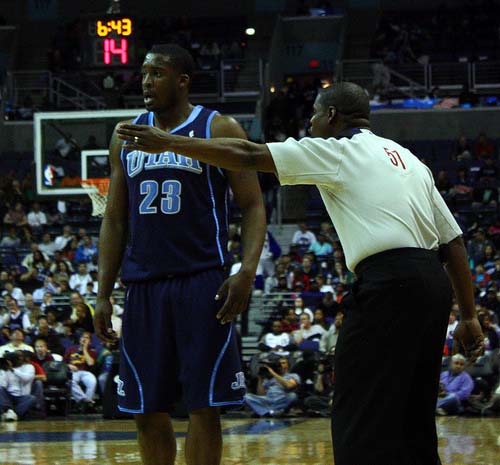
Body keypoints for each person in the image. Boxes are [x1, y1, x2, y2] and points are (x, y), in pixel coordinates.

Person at [118, 80, 485, 465]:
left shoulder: (338, 151)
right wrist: (470, 316)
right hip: (432, 286)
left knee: (356, 407)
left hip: (388, 283)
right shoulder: (409, 159)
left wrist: (171, 143)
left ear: (331, 116)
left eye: (313, 114)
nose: (309, 123)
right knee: (414, 414)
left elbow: (246, 153)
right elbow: (454, 243)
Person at [94, 43, 266, 465]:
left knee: (203, 407)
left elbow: (253, 205)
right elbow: (114, 220)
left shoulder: (218, 128)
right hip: (144, 286)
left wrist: (246, 271)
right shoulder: (125, 135)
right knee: (145, 409)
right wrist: (101, 293)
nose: (146, 82)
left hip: (202, 281)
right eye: (144, 74)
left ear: (182, 80)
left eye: (156, 74)